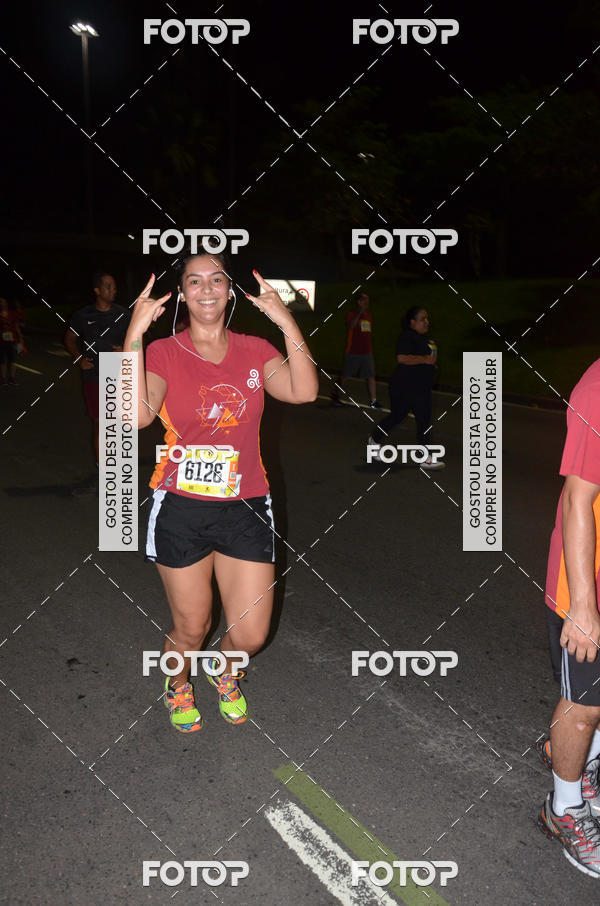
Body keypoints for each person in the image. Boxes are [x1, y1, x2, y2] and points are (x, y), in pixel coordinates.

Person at [125, 253, 318, 733]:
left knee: (251, 634)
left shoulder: (254, 349)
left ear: (229, 291)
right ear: (183, 294)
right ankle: (177, 684)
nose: (206, 289)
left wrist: (285, 319)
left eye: (216, 280)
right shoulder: (163, 352)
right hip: (181, 508)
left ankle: (224, 669)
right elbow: (136, 416)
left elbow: (304, 390)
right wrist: (133, 335)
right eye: (195, 281)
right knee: (192, 627)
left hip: (247, 505)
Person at [537, 359, 600, 876]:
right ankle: (564, 808)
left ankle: (584, 770)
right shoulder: (599, 388)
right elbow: (577, 500)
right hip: (590, 583)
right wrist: (583, 605)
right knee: (583, 704)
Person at [64, 272, 130, 485]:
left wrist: (127, 349)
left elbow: (138, 339)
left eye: (114, 286)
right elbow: (70, 339)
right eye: (109, 286)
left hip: (118, 371)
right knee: (101, 423)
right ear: (97, 290)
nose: (113, 290)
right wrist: (78, 358)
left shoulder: (123, 314)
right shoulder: (83, 315)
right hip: (94, 373)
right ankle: (104, 467)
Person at [367, 306, 444, 470]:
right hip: (404, 386)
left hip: (421, 387)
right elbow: (402, 358)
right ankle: (374, 440)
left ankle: (426, 458)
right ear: (412, 322)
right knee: (397, 416)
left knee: (424, 420)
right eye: (423, 319)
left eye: (427, 318)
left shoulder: (427, 340)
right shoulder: (407, 337)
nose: (426, 322)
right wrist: (424, 360)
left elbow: (429, 360)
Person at [331, 292, 381, 408]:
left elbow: (367, 332)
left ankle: (374, 401)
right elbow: (351, 326)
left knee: (371, 376)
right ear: (359, 302)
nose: (367, 302)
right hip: (353, 351)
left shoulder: (368, 315)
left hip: (367, 352)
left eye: (367, 300)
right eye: (364, 300)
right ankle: (335, 396)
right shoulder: (352, 313)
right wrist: (359, 313)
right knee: (345, 376)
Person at [0, 297, 24, 386]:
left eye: (3, 302)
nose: (2, 304)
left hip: (12, 340)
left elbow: (17, 326)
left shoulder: (12, 314)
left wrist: (20, 339)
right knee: (2, 361)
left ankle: (12, 378)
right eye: (0, 302)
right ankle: (3, 379)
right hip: (1, 341)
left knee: (13, 359)